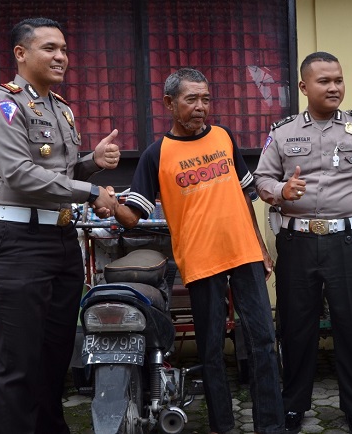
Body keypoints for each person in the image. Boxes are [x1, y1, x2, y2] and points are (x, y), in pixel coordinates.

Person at [109, 68, 285, 434]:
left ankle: (271, 426)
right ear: (170, 103)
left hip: (244, 253)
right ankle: (223, 426)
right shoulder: (156, 155)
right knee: (210, 351)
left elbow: (245, 194)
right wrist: (108, 203)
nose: (201, 107)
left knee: (264, 341)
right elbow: (131, 216)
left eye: (205, 99)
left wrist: (260, 247)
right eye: (191, 100)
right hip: (201, 262)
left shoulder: (223, 137)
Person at [0, 17, 120, 434]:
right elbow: (19, 174)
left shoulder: (61, 108)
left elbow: (63, 170)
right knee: (18, 362)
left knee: (55, 356)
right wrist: (90, 191)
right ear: (21, 54)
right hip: (15, 243)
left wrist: (94, 162)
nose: (61, 57)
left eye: (64, 50)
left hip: (59, 240)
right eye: (49, 48)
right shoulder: (1, 104)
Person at [253, 51, 352, 434]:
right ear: (304, 87)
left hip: (349, 243)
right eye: (324, 81)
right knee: (297, 329)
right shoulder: (283, 133)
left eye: (338, 79)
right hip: (297, 244)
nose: (334, 87)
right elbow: (260, 180)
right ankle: (293, 407)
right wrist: (282, 190)